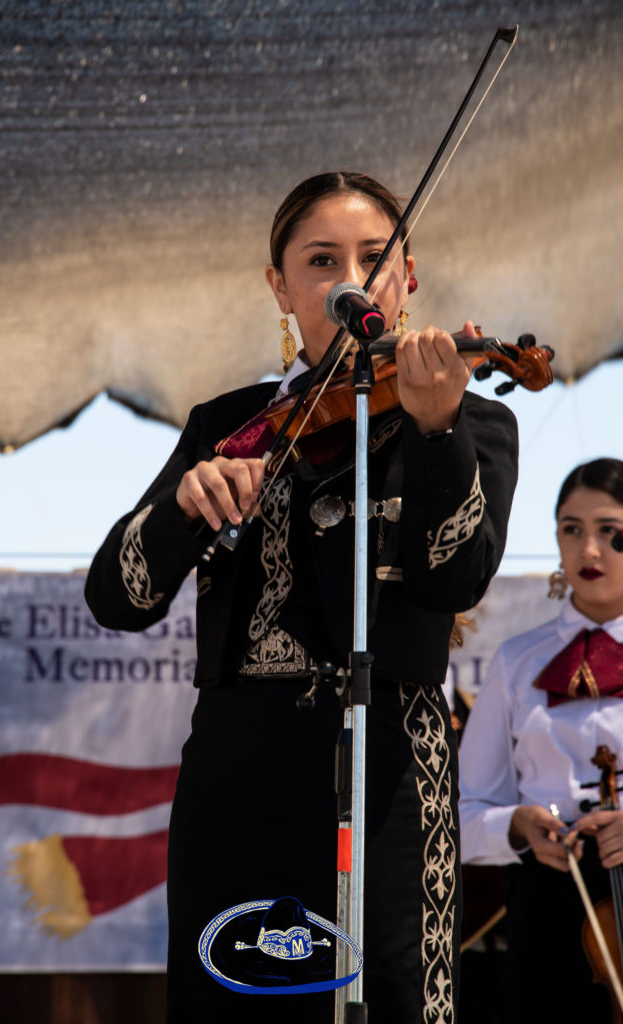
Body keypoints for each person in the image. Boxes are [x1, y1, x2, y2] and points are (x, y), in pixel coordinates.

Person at [85, 170, 518, 1023]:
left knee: (393, 994)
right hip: (238, 767)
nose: (350, 278)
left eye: (373, 257)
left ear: (408, 280)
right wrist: (182, 508)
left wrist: (434, 433)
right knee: (232, 999)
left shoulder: (468, 421)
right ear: (280, 287)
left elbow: (456, 575)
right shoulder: (229, 424)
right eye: (321, 260)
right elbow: (119, 596)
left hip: (389, 758)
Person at [459, 457, 623, 1023]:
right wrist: (518, 825)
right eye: (572, 530)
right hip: (545, 906)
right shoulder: (516, 661)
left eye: (611, 532)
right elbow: (464, 811)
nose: (590, 551)